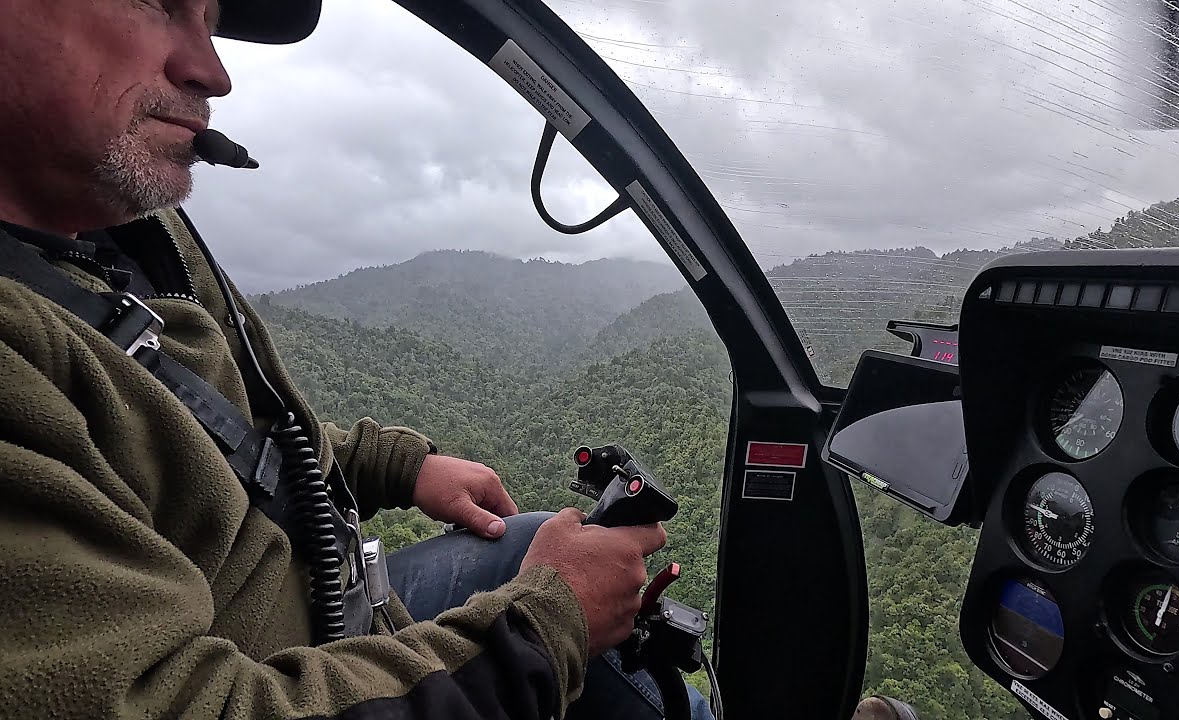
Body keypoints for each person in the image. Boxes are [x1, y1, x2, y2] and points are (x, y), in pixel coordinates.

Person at [0, 0, 713, 718]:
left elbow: (220, 431)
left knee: (531, 539)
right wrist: (545, 625)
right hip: (278, 670)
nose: (211, 72)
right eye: (156, 4)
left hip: (331, 602)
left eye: (209, 22)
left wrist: (394, 465)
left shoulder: (124, 236)